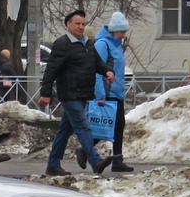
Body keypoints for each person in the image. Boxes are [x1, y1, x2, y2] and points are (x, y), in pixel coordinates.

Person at [38, 10, 115, 176]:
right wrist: (46, 93)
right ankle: (95, 161)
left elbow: (97, 63)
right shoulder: (62, 44)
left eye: (83, 24)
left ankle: (53, 165)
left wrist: (107, 71)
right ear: (68, 24)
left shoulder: (87, 44)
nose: (81, 27)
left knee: (64, 131)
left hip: (83, 94)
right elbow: (50, 70)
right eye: (77, 24)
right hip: (69, 93)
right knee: (83, 126)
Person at [77, 11, 134, 173]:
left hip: (116, 92)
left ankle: (117, 160)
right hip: (107, 94)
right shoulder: (103, 44)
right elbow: (96, 70)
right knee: (107, 126)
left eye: (125, 32)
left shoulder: (115, 45)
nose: (123, 35)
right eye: (121, 32)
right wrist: (100, 95)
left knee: (117, 126)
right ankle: (85, 149)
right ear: (113, 31)